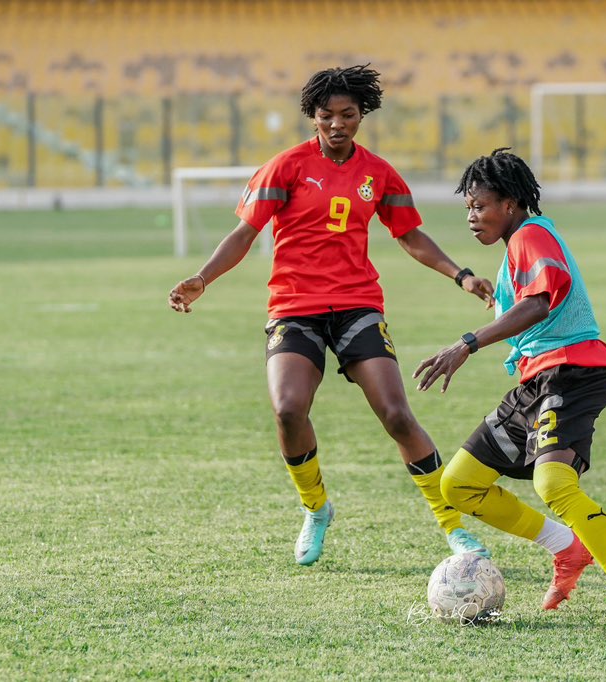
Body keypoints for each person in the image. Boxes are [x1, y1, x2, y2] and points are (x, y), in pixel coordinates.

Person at [168, 65, 493, 567]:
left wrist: (461, 275)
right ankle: (316, 509)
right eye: (326, 115)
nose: (337, 123)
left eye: (347, 114)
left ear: (362, 115)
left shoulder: (379, 174)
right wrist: (202, 278)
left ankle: (452, 528)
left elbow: (409, 236)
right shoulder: (286, 167)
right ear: (312, 117)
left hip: (358, 305)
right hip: (295, 308)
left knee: (397, 414)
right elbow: (244, 234)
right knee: (288, 409)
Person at [413, 148, 606, 636]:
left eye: (480, 205)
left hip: (574, 371)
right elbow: (525, 301)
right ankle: (566, 547)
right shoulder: (517, 247)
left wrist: (466, 344)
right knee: (459, 485)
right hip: (538, 380)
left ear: (510, 204)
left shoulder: (532, 234)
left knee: (553, 485)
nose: (471, 216)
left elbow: (539, 303)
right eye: (467, 207)